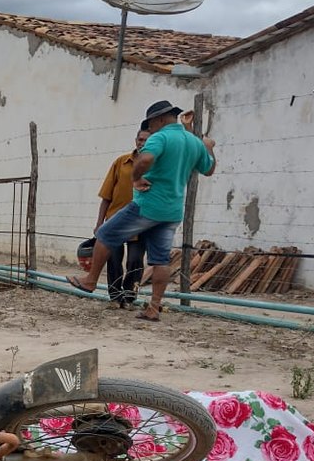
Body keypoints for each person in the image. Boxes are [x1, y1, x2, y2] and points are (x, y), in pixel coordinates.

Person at [69, 100, 216, 322]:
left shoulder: (161, 137)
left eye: (150, 124)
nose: (149, 129)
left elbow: (145, 158)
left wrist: (136, 179)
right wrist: (208, 147)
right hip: (172, 211)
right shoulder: (193, 142)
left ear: (159, 119)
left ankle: (90, 280)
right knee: (160, 260)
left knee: (106, 234)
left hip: (148, 205)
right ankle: (154, 308)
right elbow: (209, 169)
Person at [95, 126, 152, 309]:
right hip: (115, 220)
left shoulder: (154, 165)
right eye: (140, 139)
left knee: (135, 260)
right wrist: (99, 223)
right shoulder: (121, 162)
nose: (142, 143)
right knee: (113, 258)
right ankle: (115, 296)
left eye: (146, 140)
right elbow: (106, 195)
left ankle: (129, 297)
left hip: (140, 221)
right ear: (135, 141)